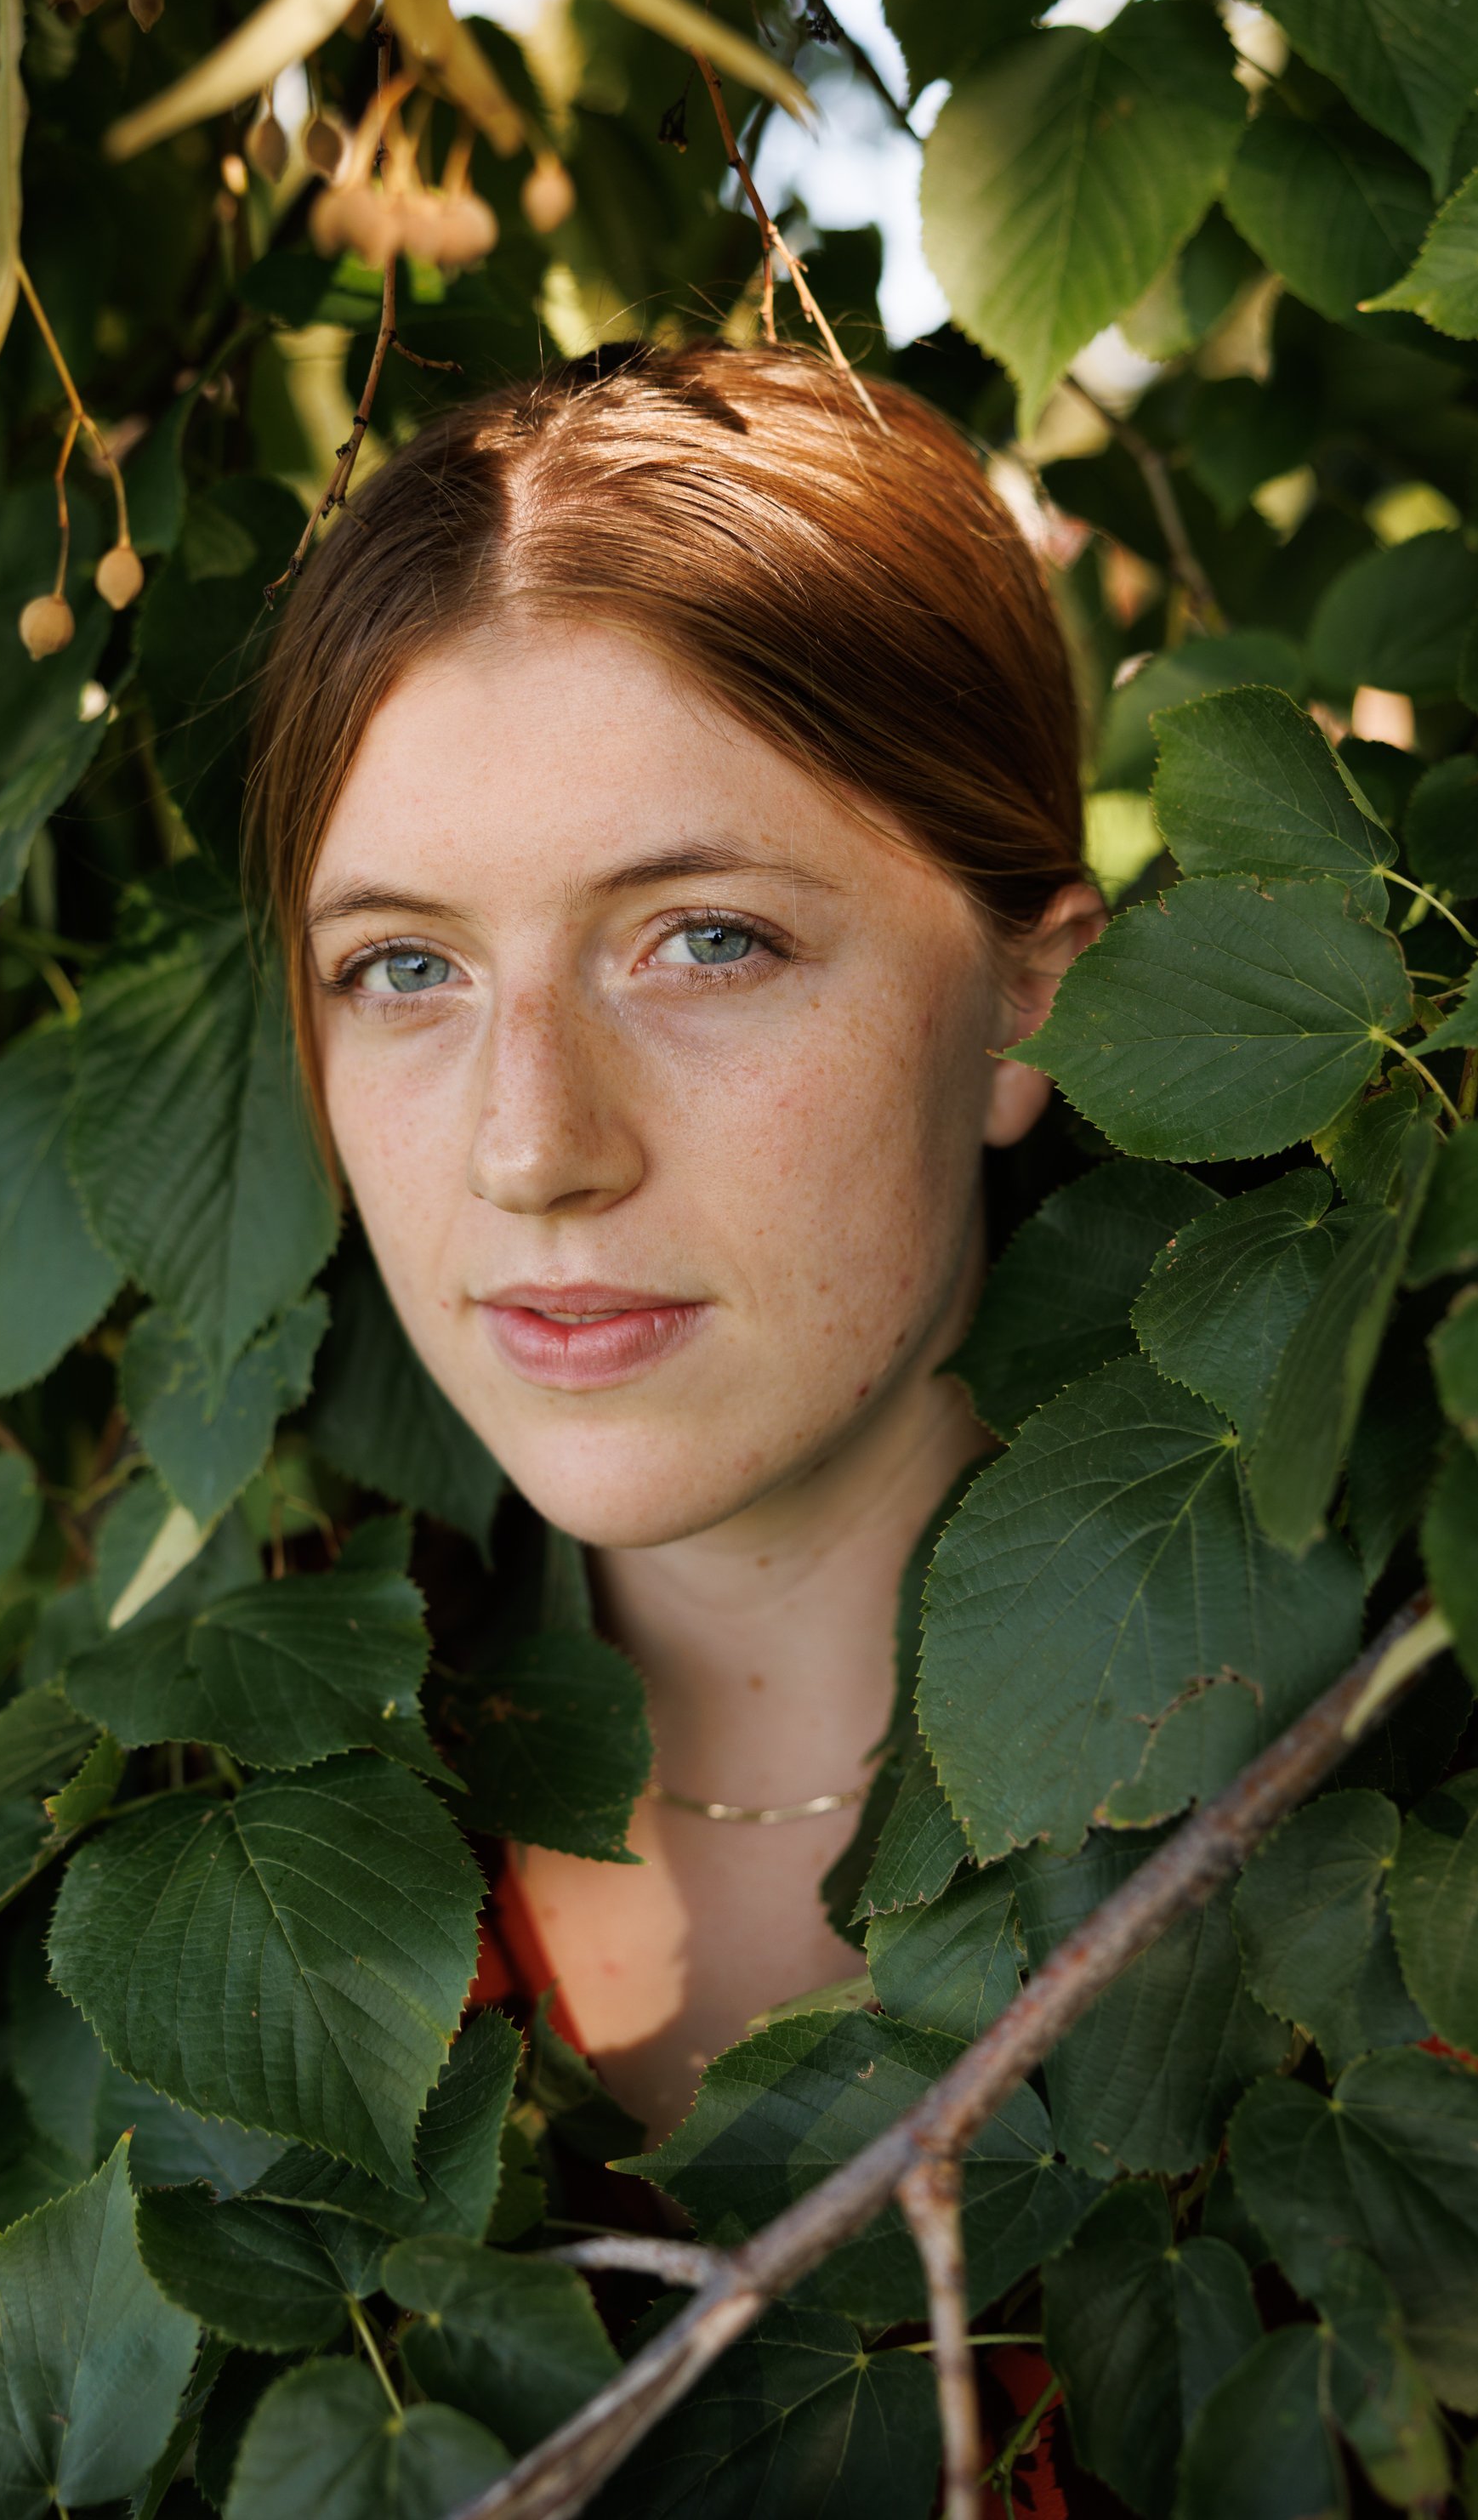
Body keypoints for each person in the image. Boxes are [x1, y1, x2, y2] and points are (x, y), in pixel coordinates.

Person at [250, 338, 1103, 2145]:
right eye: (405, 969)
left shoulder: (1388, 1810)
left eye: (704, 940)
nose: (531, 1148)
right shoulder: (235, 1794)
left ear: (1024, 1008)